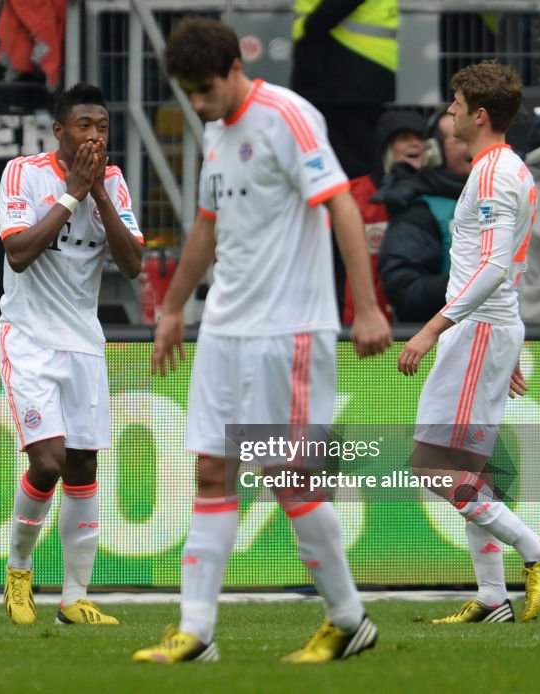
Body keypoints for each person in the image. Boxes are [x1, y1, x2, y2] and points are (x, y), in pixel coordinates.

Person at [133, 17, 391, 665]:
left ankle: (348, 617)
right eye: (185, 93)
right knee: (210, 467)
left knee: (285, 472)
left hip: (288, 331)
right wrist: (172, 309)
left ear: (231, 69)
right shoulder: (218, 133)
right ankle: (196, 631)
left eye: (202, 89)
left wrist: (364, 308)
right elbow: (207, 227)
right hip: (224, 329)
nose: (196, 103)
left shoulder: (288, 115)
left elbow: (341, 207)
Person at [397, 61, 540, 624]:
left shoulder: (495, 173)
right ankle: (494, 598)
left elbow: (495, 266)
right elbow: (502, 268)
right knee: (471, 468)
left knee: (430, 464)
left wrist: (432, 328)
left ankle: (539, 551)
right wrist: (505, 339)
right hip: (488, 330)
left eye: (454, 104)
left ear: (479, 114)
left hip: (476, 332)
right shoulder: (503, 169)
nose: (447, 114)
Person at [0, 82, 144, 626]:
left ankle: (74, 598)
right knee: (49, 461)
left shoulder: (116, 184)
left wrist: (99, 193)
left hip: (84, 341)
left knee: (84, 464)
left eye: (102, 127)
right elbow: (17, 253)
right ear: (59, 131)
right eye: (83, 126)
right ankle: (18, 570)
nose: (94, 136)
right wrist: (72, 194)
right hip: (28, 339)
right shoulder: (23, 173)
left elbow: (132, 265)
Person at [378, 112, 473, 321]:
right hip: (438, 347)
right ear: (435, 151)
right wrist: (474, 286)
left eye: (476, 136)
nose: (473, 145)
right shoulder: (420, 210)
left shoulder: (505, 197)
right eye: (461, 138)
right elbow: (403, 289)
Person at [290, 0, 399, 179]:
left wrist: (311, 28)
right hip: (348, 73)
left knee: (348, 169)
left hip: (344, 72)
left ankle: (355, 207)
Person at [340, 109, 426, 323]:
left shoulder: (433, 195)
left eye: (420, 138)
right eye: (404, 138)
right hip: (364, 327)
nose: (415, 144)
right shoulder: (352, 195)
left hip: (419, 327)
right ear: (385, 146)